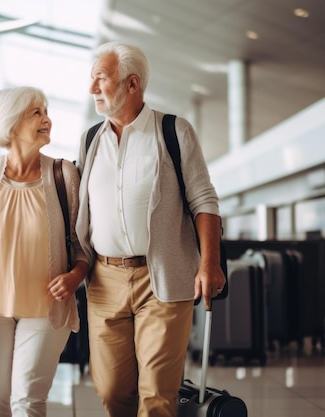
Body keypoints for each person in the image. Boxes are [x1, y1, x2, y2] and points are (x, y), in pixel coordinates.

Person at [75, 41, 226, 417]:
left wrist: (210, 264)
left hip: (162, 278)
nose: (93, 88)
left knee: (157, 394)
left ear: (131, 84)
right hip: (104, 280)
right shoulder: (91, 140)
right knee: (112, 391)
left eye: (101, 79)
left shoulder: (173, 131)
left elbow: (204, 200)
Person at [0, 86, 89, 417]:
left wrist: (74, 277)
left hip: (46, 308)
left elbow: (82, 245)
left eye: (46, 110)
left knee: (27, 400)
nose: (47, 119)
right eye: (36, 113)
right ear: (11, 124)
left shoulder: (63, 174)